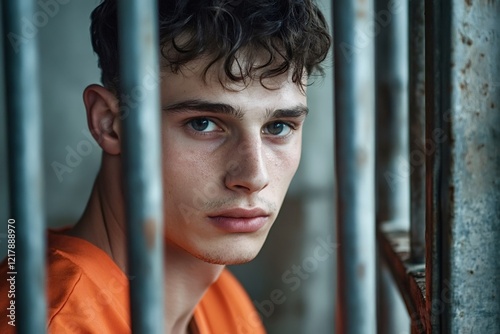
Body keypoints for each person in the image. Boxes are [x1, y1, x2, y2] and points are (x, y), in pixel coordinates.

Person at [1, 0, 331, 332]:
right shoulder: (48, 321)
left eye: (278, 127)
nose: (254, 176)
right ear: (109, 123)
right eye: (203, 123)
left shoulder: (224, 302)